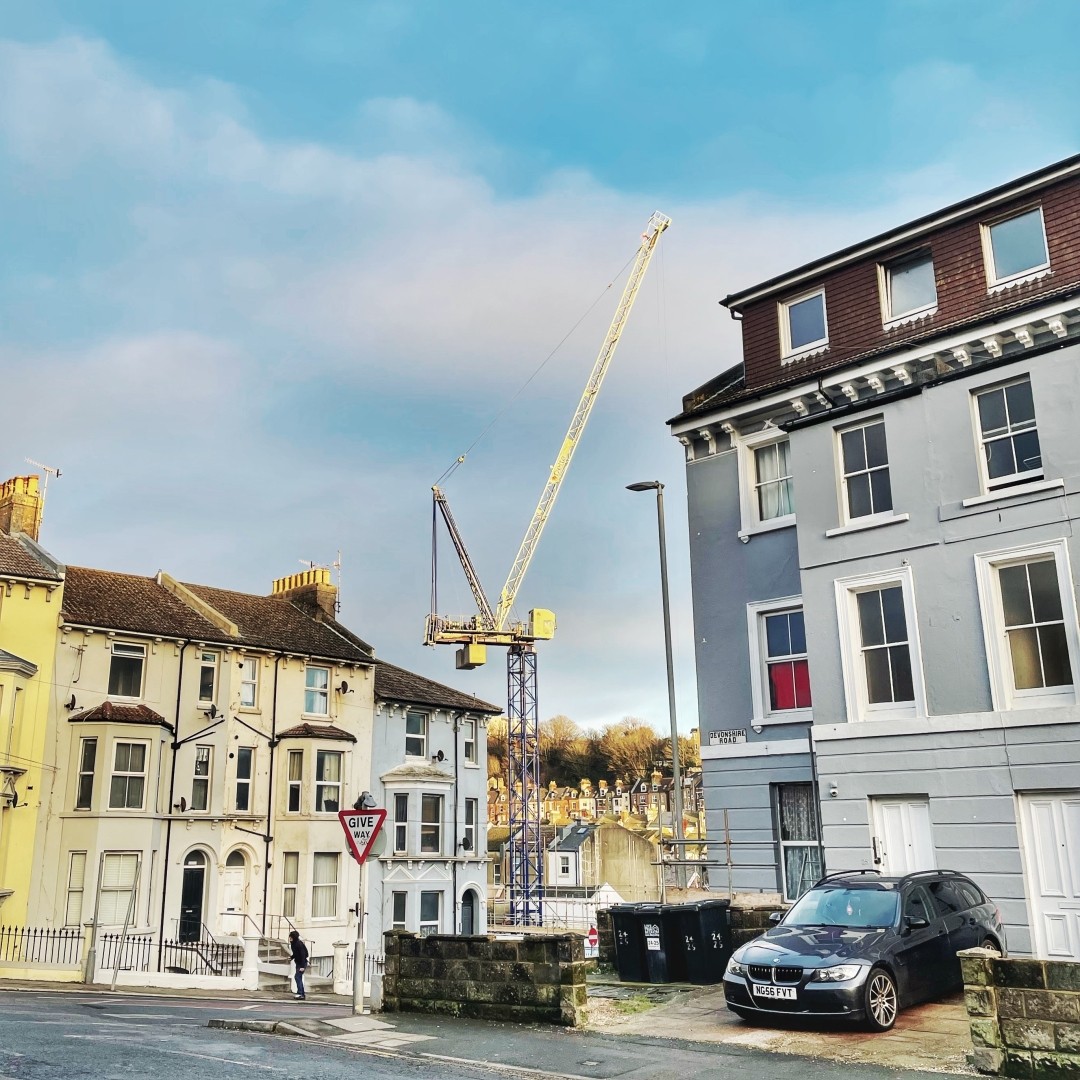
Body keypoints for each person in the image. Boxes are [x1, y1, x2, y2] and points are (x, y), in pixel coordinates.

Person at [288, 930, 308, 1000]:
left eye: (291, 937)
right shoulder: (294, 944)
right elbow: (296, 954)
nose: (289, 938)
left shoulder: (299, 944)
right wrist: (292, 957)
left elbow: (303, 955)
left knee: (297, 977)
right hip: (298, 963)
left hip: (302, 963)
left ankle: (301, 994)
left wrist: (302, 966)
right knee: (297, 977)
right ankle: (301, 993)